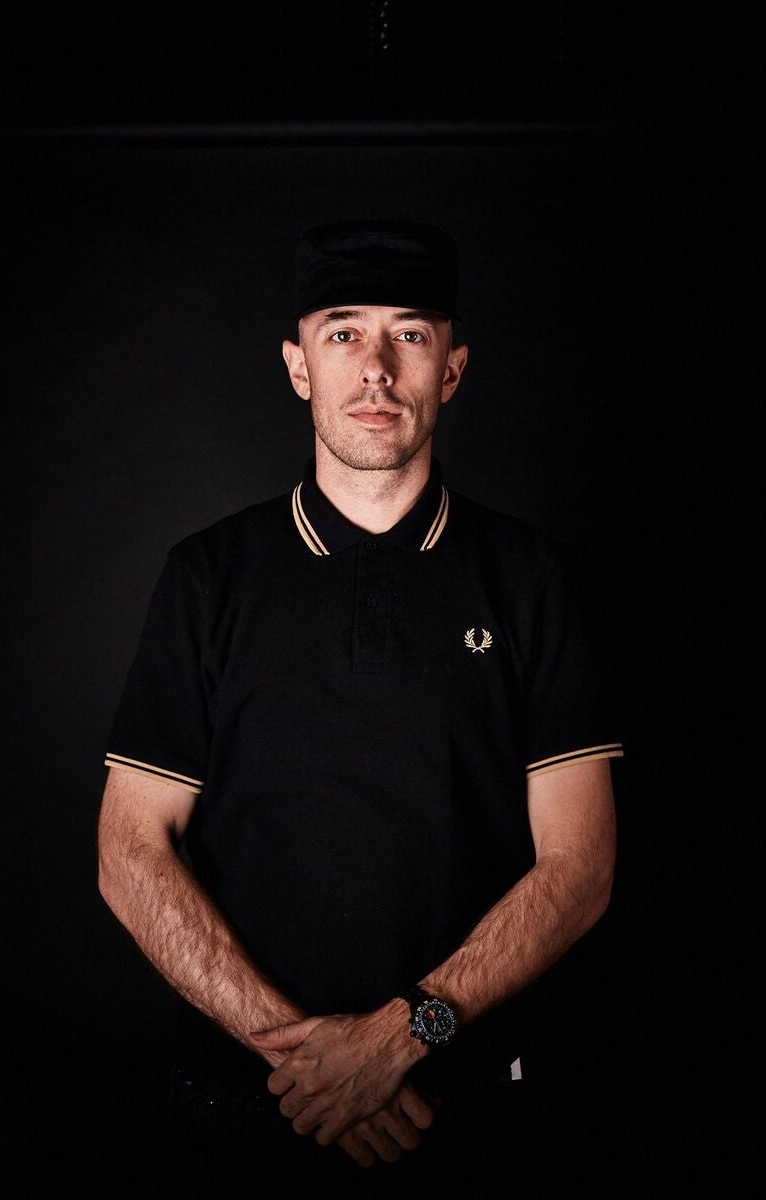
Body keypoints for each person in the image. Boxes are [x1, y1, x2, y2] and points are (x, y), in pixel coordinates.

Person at [97, 219, 622, 1195]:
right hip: (247, 1106)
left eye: (408, 334)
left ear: (451, 370)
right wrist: (310, 1064)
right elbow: (129, 853)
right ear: (298, 367)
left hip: (469, 1113)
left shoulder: (531, 579)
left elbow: (580, 867)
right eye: (343, 332)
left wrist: (402, 1039)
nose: (375, 367)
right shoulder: (208, 577)